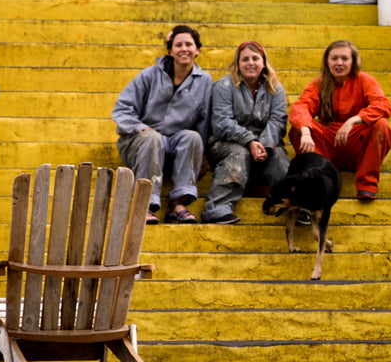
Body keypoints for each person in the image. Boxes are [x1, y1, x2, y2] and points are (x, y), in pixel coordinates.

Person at [112, 25, 213, 224]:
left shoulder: (205, 81)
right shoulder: (149, 75)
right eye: (178, 45)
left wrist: (201, 156)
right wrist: (141, 128)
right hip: (140, 143)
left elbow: (205, 122)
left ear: (197, 50)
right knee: (152, 138)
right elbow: (121, 110)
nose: (184, 49)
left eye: (189, 44)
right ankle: (145, 205)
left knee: (193, 136)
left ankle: (178, 203)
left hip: (175, 147)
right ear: (170, 50)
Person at [288, 40, 391, 201]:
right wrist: (305, 131)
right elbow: (301, 107)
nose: (339, 63)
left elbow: (384, 105)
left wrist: (354, 120)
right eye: (334, 58)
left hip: (357, 148)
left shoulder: (364, 80)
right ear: (327, 62)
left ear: (353, 62)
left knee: (382, 125)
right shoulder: (319, 83)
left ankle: (367, 185)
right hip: (327, 148)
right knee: (297, 129)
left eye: (345, 58)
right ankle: (319, 179)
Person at [202, 41, 290, 224]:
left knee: (279, 156)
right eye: (245, 59)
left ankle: (296, 205)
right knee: (238, 153)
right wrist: (250, 141)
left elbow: (277, 122)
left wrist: (264, 145)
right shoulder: (224, 86)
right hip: (226, 143)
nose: (251, 63)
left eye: (256, 58)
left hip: (265, 143)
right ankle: (217, 208)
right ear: (238, 64)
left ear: (263, 62)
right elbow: (222, 122)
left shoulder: (275, 88)